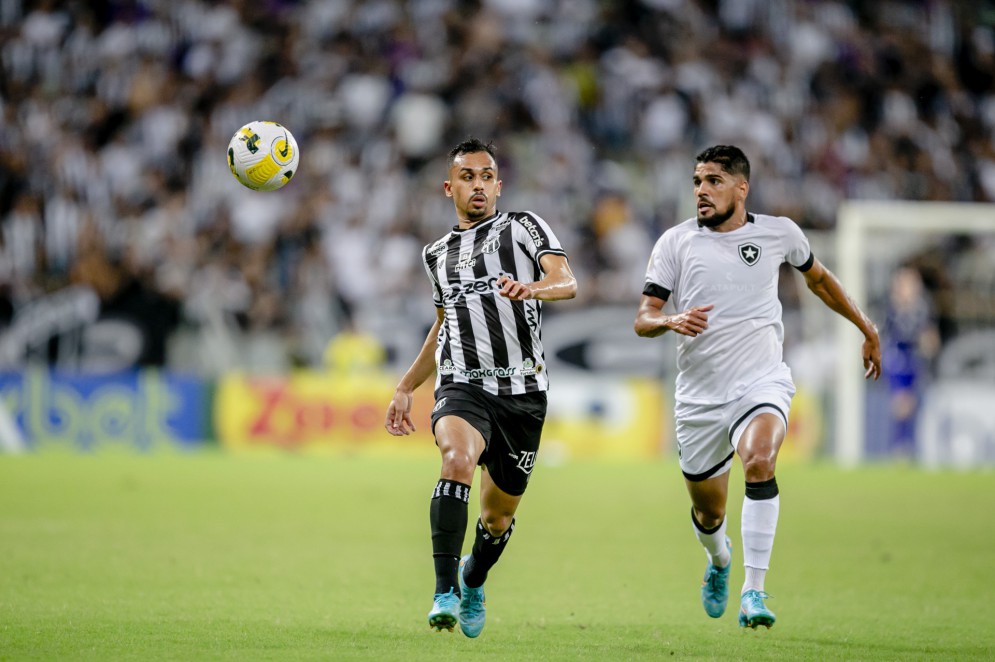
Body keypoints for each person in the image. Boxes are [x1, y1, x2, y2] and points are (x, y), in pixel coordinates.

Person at [633, 145, 881, 629]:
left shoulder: (779, 233)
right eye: (697, 181)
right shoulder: (675, 243)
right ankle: (720, 561)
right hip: (700, 399)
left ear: (741, 188)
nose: (701, 191)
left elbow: (821, 281)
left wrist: (866, 327)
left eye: (713, 181)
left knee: (761, 459)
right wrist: (671, 320)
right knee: (709, 513)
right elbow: (643, 319)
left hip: (760, 381)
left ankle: (755, 591)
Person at [384, 138, 577, 636]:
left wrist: (530, 288)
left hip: (522, 396)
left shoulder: (523, 227)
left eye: (487, 176)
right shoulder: (437, 255)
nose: (478, 185)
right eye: (468, 177)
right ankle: (443, 590)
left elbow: (567, 281)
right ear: (449, 188)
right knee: (456, 459)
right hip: (462, 384)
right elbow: (444, 324)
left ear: (498, 184)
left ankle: (473, 578)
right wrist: (407, 385)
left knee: (496, 520)